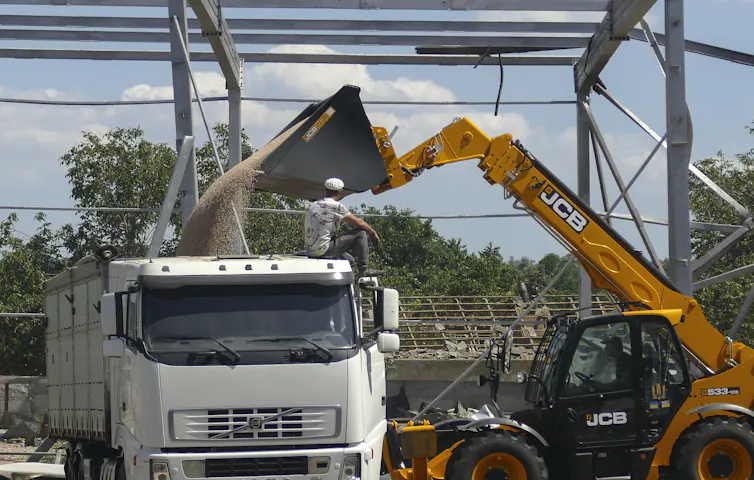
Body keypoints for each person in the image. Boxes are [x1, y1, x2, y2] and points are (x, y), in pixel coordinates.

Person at [304, 177, 380, 275]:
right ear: (341, 191)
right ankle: (363, 269)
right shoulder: (336, 206)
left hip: (310, 251)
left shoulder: (313, 205)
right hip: (325, 249)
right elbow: (358, 222)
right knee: (361, 233)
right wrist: (373, 233)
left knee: (349, 260)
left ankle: (349, 284)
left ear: (326, 190)